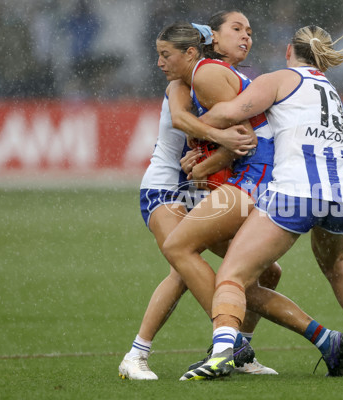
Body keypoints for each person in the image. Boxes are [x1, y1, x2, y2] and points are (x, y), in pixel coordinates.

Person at [181, 25, 343, 381]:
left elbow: (231, 113)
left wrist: (193, 129)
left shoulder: (279, 79)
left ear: (289, 49)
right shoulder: (330, 89)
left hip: (296, 192)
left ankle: (220, 356)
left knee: (232, 274)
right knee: (335, 263)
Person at [118, 11, 278, 381]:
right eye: (236, 29)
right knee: (181, 266)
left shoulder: (211, 79)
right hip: (163, 189)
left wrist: (204, 155)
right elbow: (182, 121)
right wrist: (221, 141)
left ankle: (239, 347)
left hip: (190, 188)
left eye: (249, 32)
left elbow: (230, 138)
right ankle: (139, 355)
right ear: (210, 43)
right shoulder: (183, 81)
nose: (159, 63)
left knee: (265, 270)